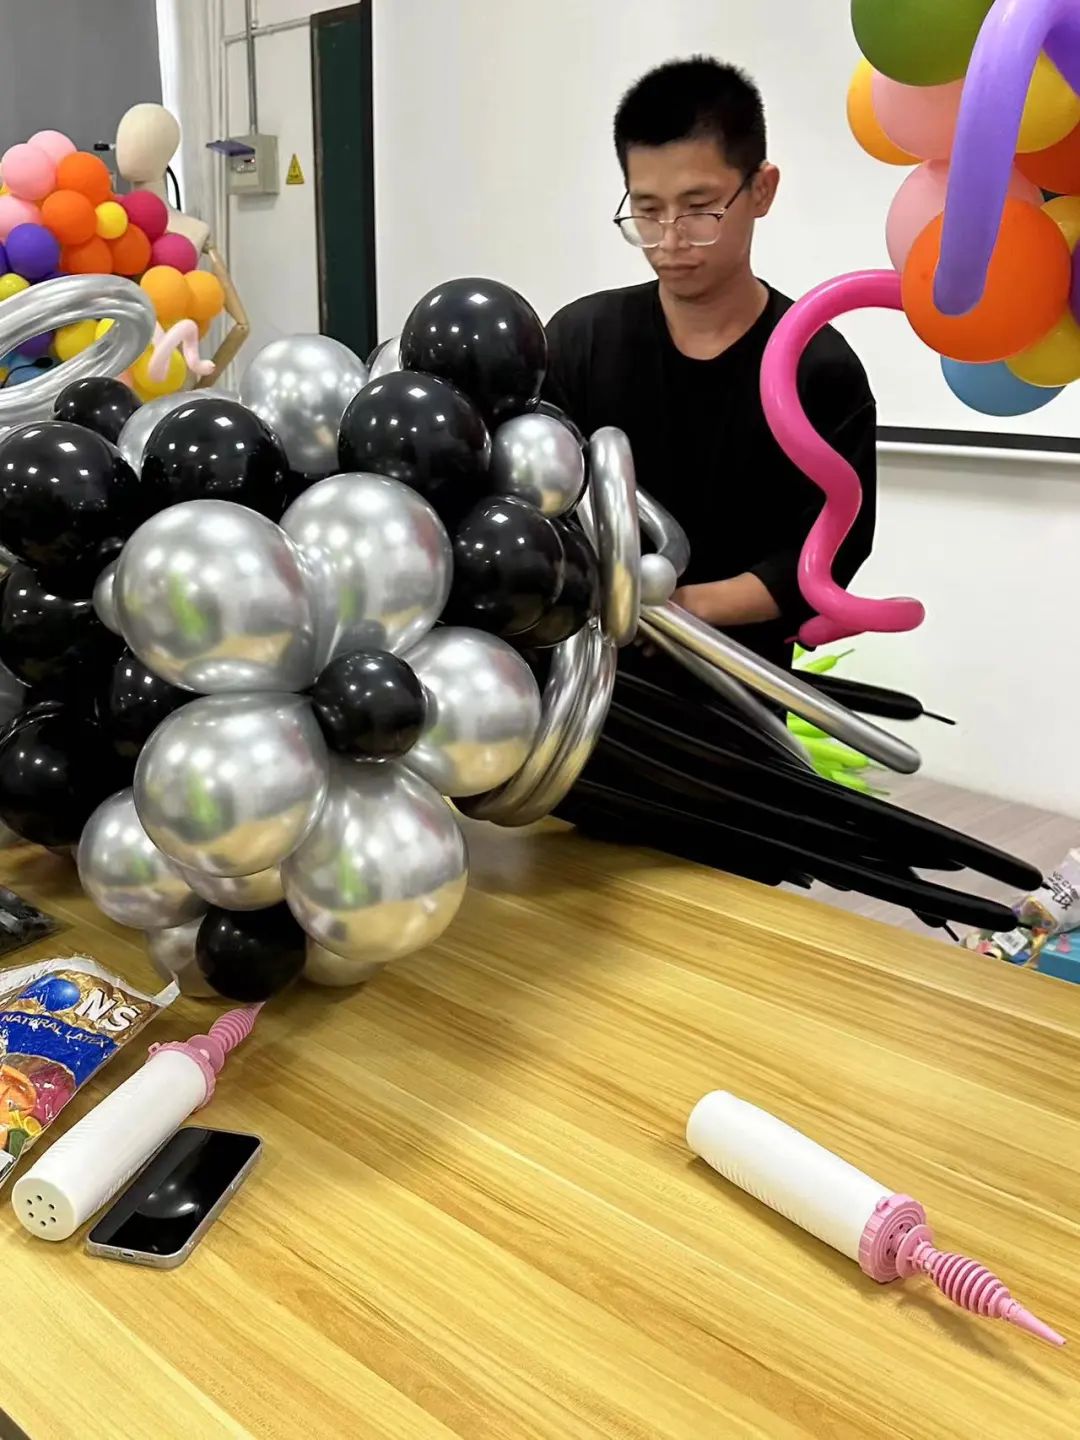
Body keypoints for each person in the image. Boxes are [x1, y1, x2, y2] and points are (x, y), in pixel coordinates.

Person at [544, 57, 876, 670]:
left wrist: (678, 608)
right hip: (582, 685)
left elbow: (828, 552)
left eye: (699, 209)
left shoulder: (819, 368)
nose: (670, 241)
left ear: (761, 190)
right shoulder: (578, 339)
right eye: (647, 211)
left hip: (739, 692)